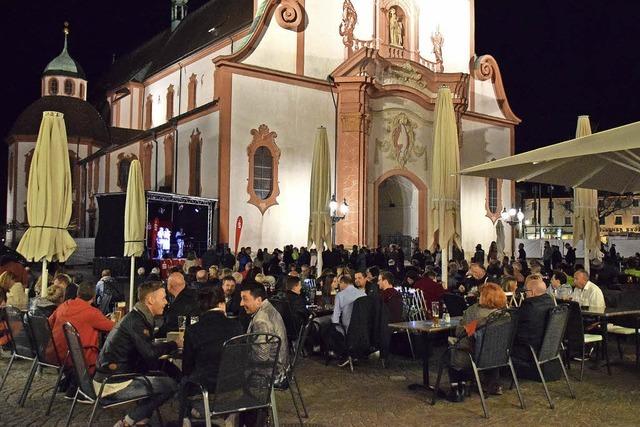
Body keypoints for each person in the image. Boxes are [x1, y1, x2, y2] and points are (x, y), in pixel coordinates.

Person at [95, 281, 180, 427]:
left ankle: (141, 419)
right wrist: (174, 344)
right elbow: (150, 353)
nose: (166, 302)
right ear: (150, 300)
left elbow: (146, 352)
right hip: (113, 383)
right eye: (163, 298)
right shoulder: (137, 322)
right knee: (170, 385)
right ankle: (127, 421)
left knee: (166, 372)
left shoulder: (137, 317)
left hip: (111, 375)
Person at [180, 287, 242, 423]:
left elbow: (187, 366)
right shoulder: (237, 326)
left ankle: (185, 419)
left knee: (184, 381)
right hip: (236, 389)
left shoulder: (193, 330)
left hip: (207, 390)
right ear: (222, 304)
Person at [446, 283, 507, 401]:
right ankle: (475, 383)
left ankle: (457, 389)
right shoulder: (505, 315)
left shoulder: (475, 312)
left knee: (453, 347)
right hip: (499, 356)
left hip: (474, 355)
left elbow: (462, 332)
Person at [49, 282, 114, 388]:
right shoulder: (92, 312)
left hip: (57, 353)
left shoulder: (64, 305)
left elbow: (49, 323)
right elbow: (113, 328)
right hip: (79, 357)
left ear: (78, 294)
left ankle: (72, 382)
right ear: (93, 297)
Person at [241, 282, 289, 378]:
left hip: (271, 374)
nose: (241, 303)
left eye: (244, 299)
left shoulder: (261, 320)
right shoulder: (268, 307)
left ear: (258, 300)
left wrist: (240, 355)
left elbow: (261, 357)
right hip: (281, 366)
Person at [158, 272, 200, 337]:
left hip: (183, 340)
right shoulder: (196, 295)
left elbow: (171, 327)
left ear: (169, 286)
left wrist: (154, 335)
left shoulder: (178, 305)